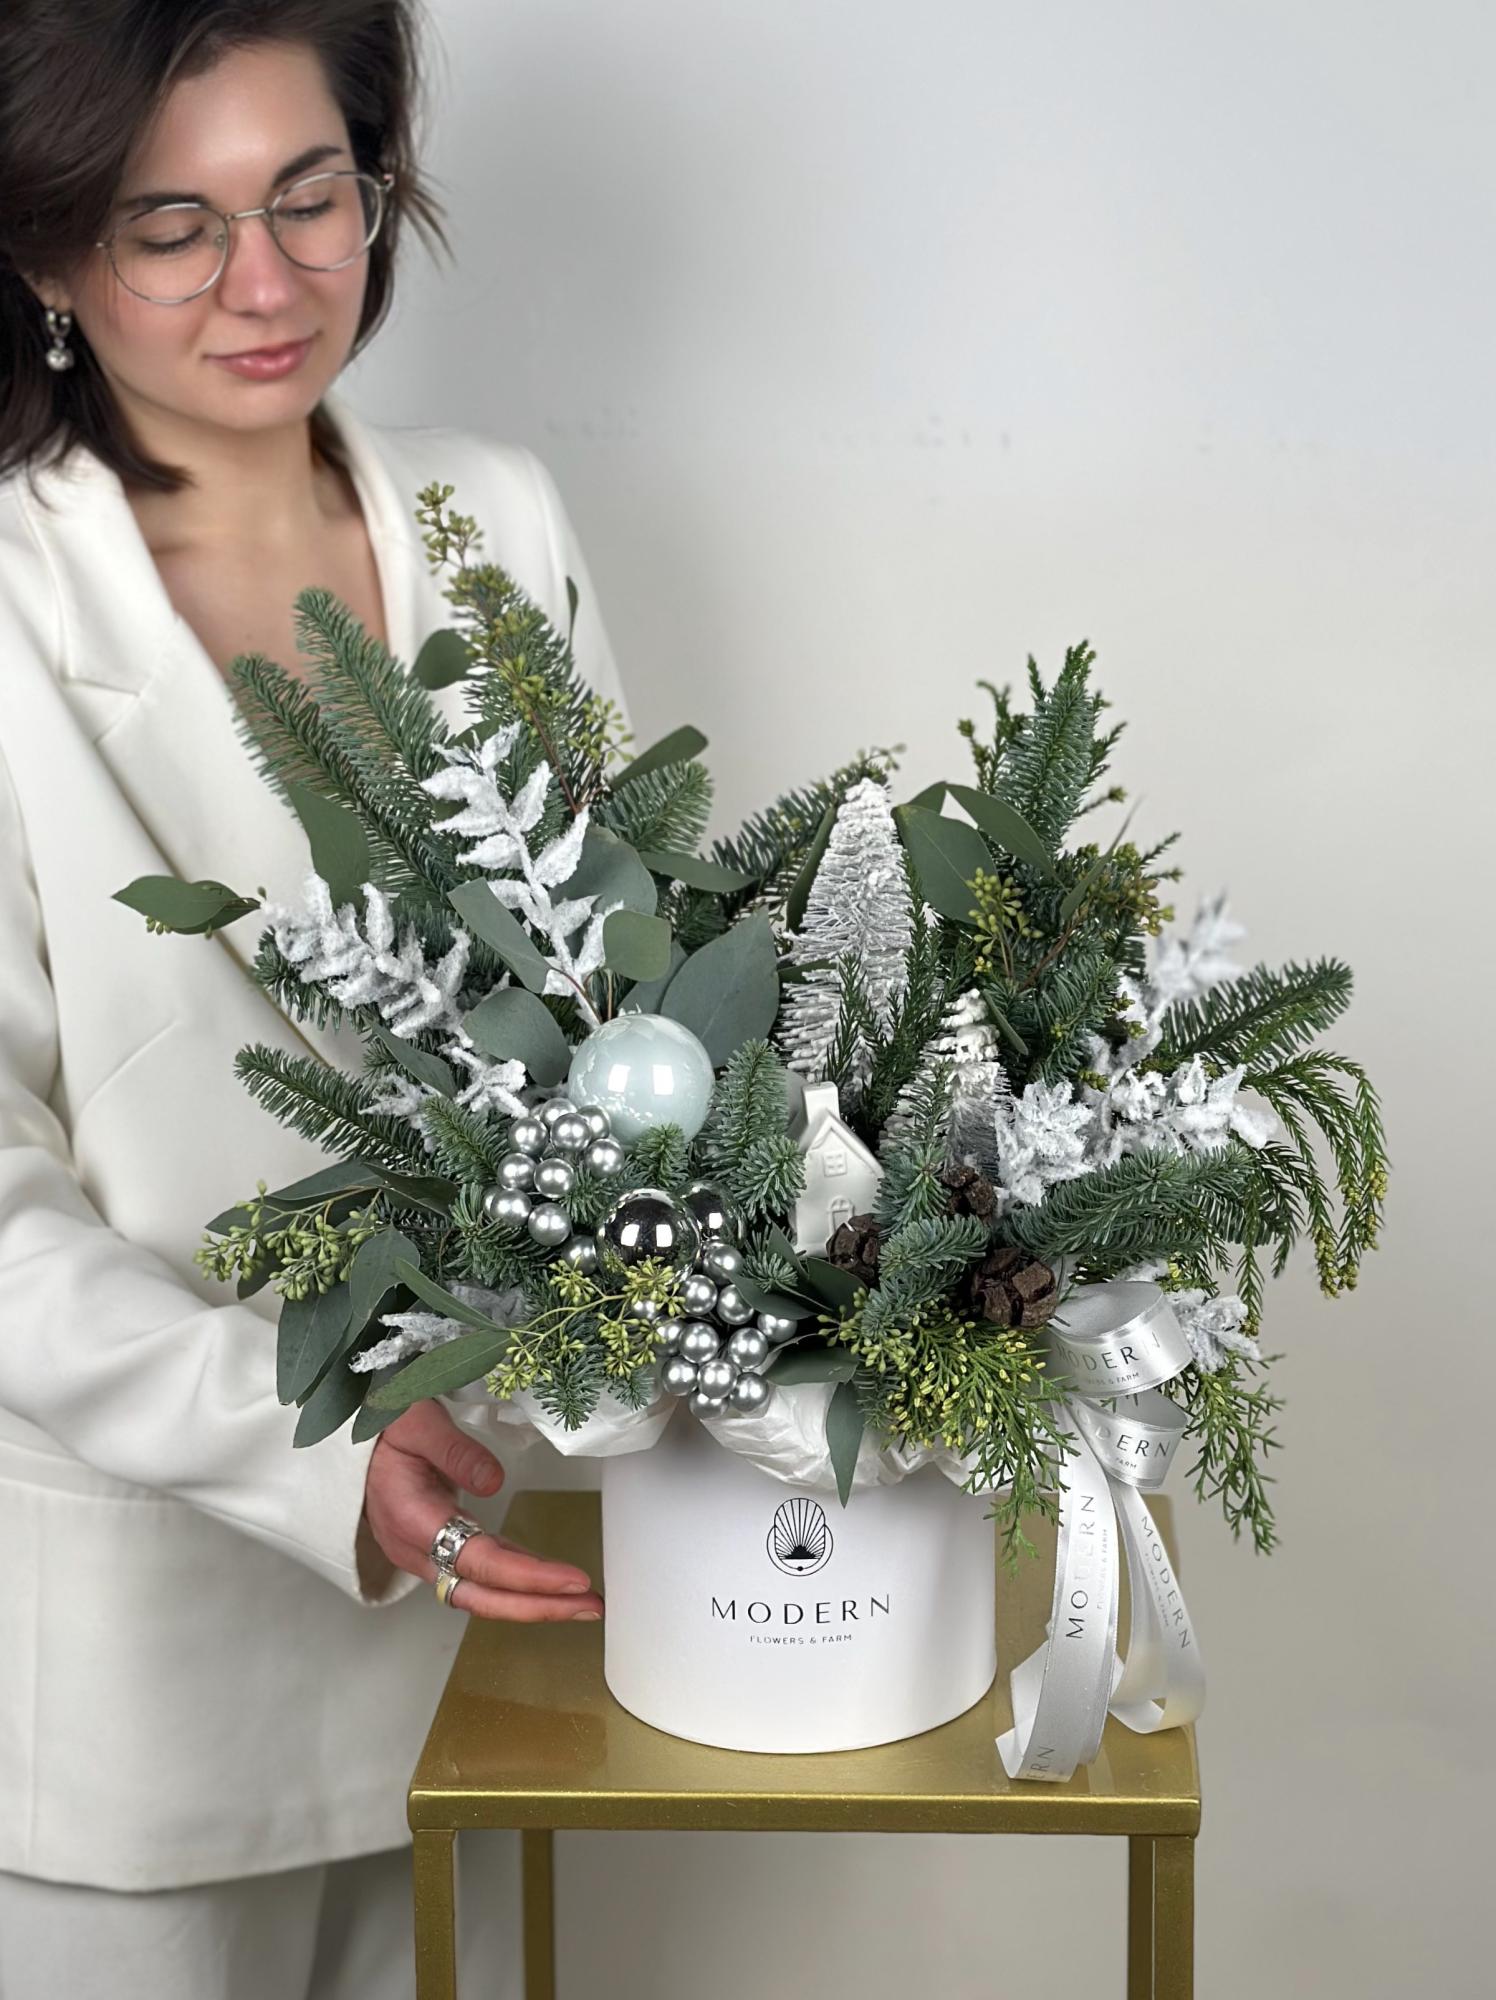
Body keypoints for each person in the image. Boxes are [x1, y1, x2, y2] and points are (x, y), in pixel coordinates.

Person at [0, 4, 623, 1993]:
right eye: (168, 225)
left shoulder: (496, 519)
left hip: (499, 1603)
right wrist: (315, 1444)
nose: (264, 284)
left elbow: (633, 1011)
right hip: (141, 1672)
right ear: (46, 249)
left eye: (307, 198)